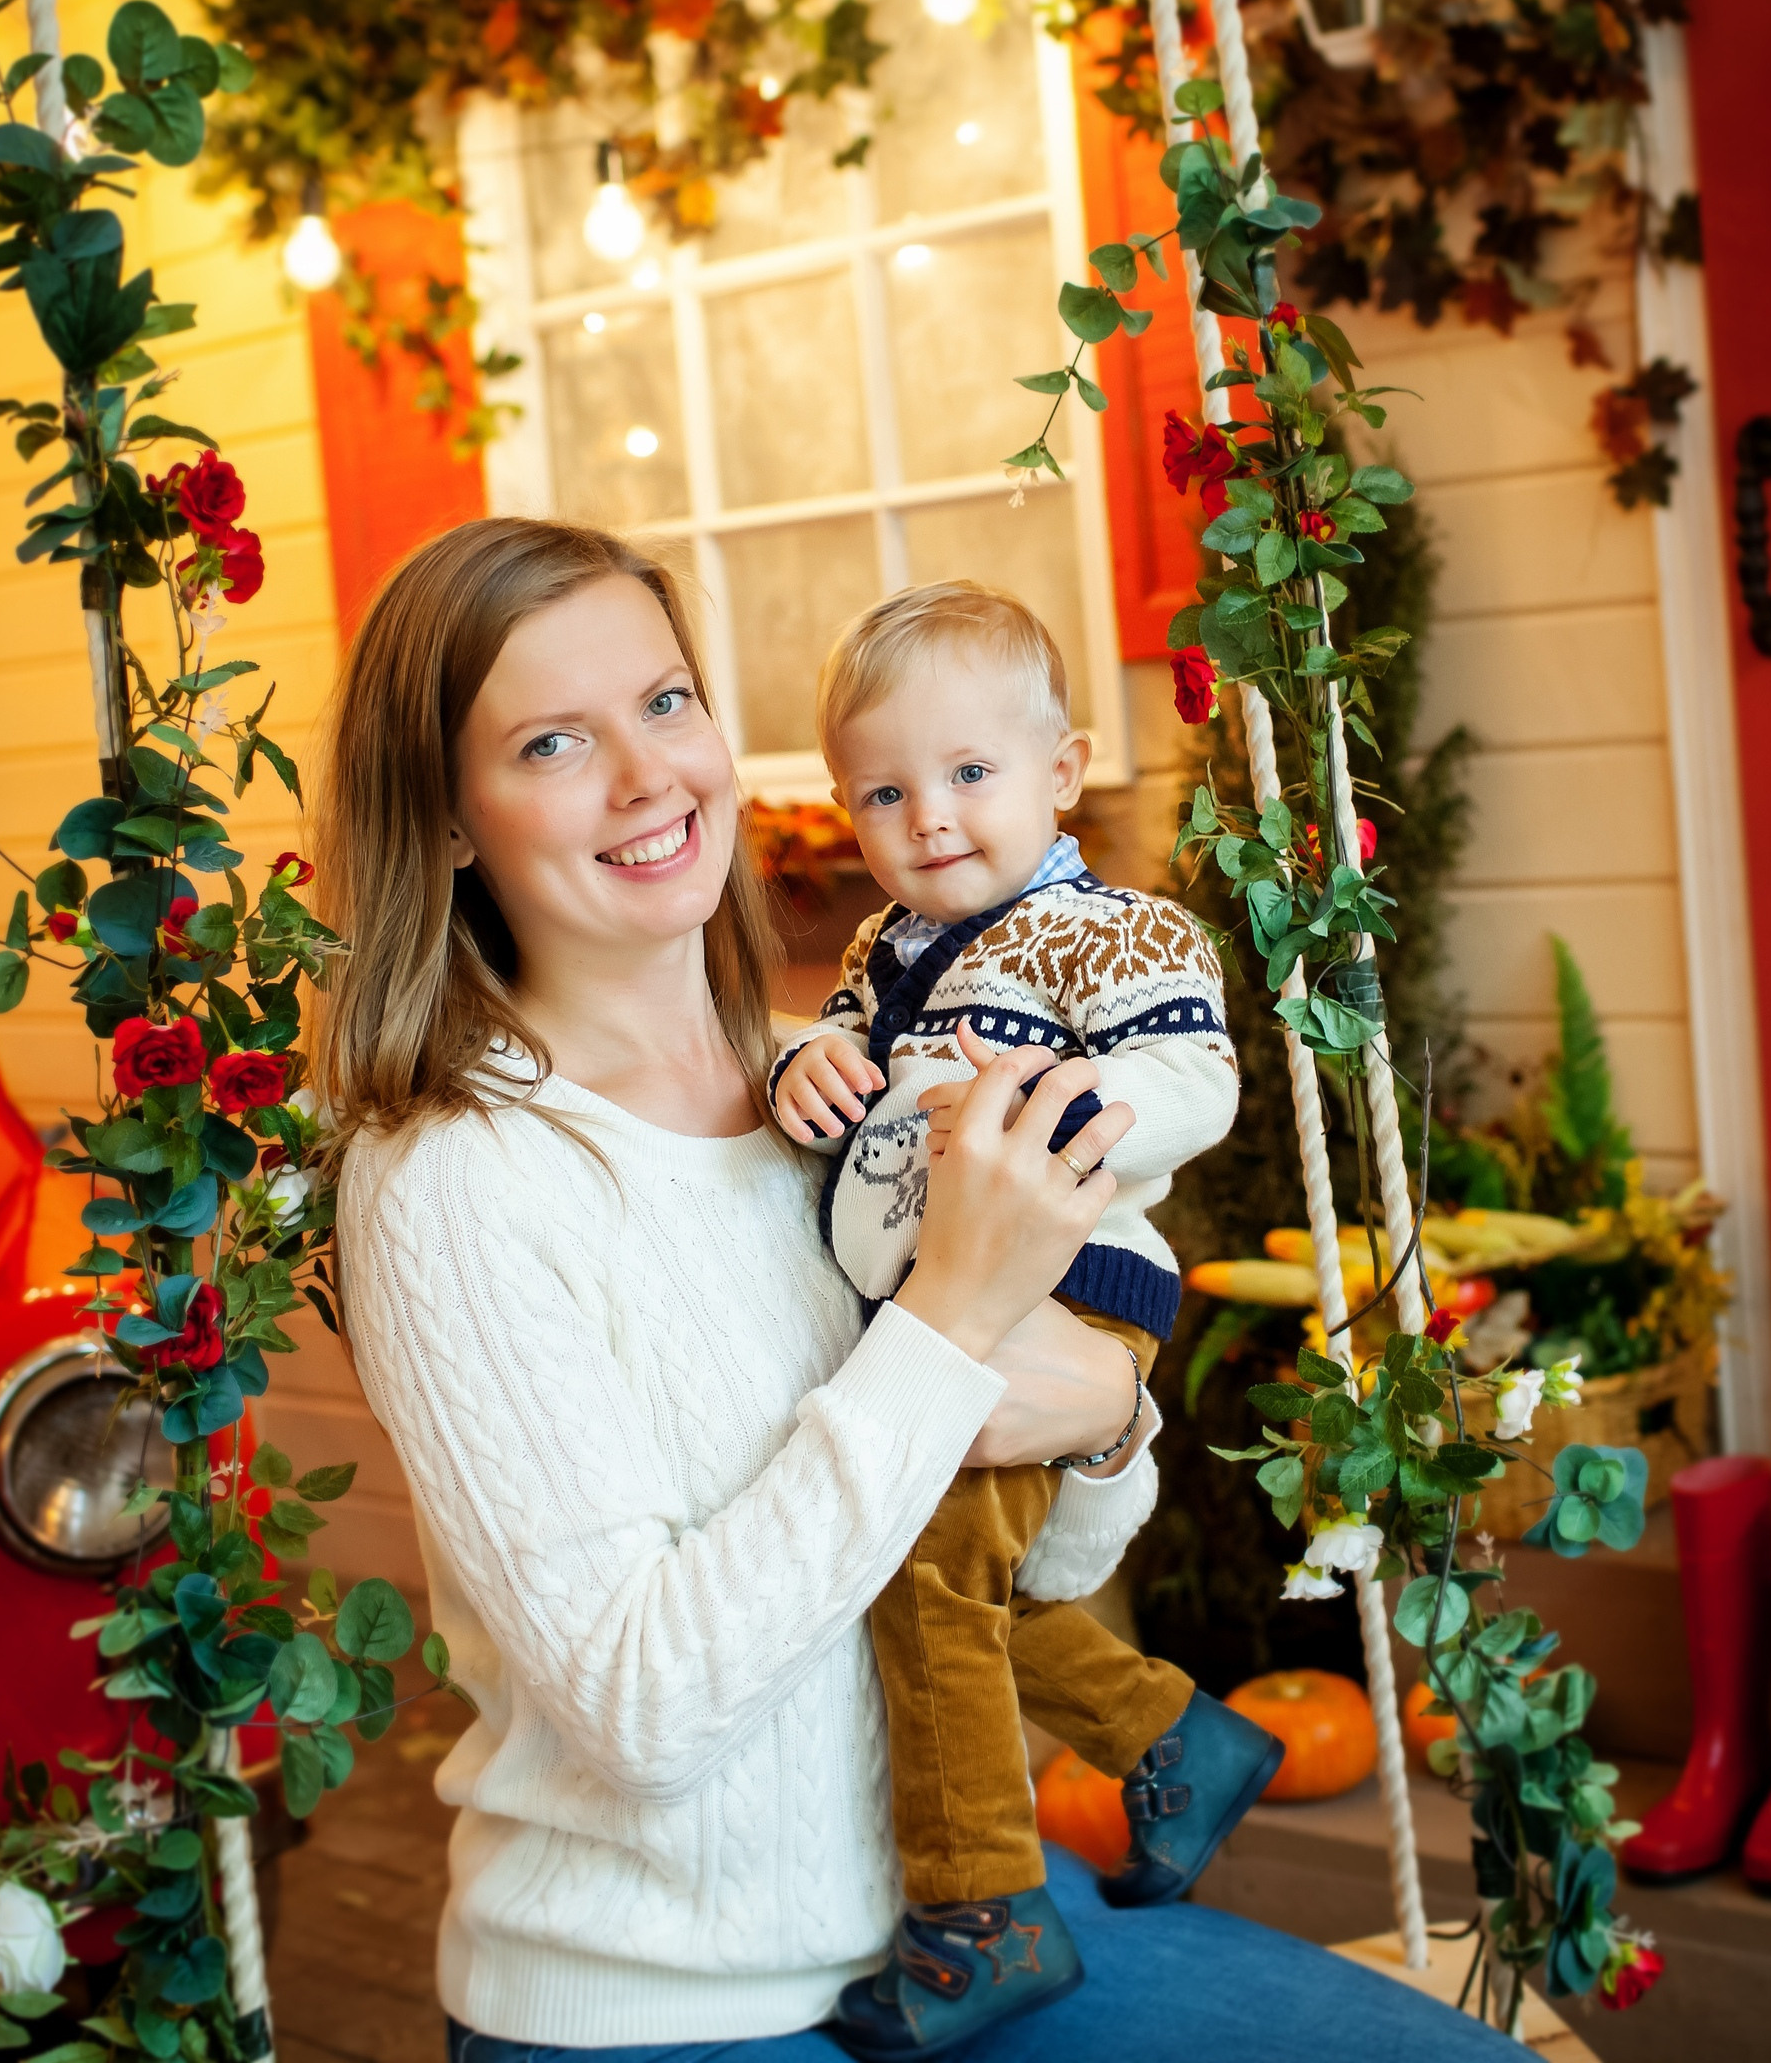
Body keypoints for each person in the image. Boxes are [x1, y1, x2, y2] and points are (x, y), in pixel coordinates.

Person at [315, 518, 1517, 2063]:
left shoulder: (836, 1087)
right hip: (666, 2006)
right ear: (452, 817)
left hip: (960, 1929)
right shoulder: (457, 1179)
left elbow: (1032, 1564)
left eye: (666, 704)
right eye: (554, 741)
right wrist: (949, 1319)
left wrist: (1099, 1424)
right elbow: (640, 1714)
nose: (646, 778)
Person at [769, 584, 1281, 2054]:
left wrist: (1035, 1118)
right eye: (885, 790)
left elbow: (1196, 1089)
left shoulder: (1112, 935)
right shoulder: (881, 958)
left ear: (1059, 773)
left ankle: (981, 1908)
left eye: (969, 774)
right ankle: (1173, 1737)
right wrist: (808, 1063)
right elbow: (846, 1078)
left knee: (925, 1581)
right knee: (933, 1579)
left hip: (1069, 1280)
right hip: (941, 1301)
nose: (929, 817)